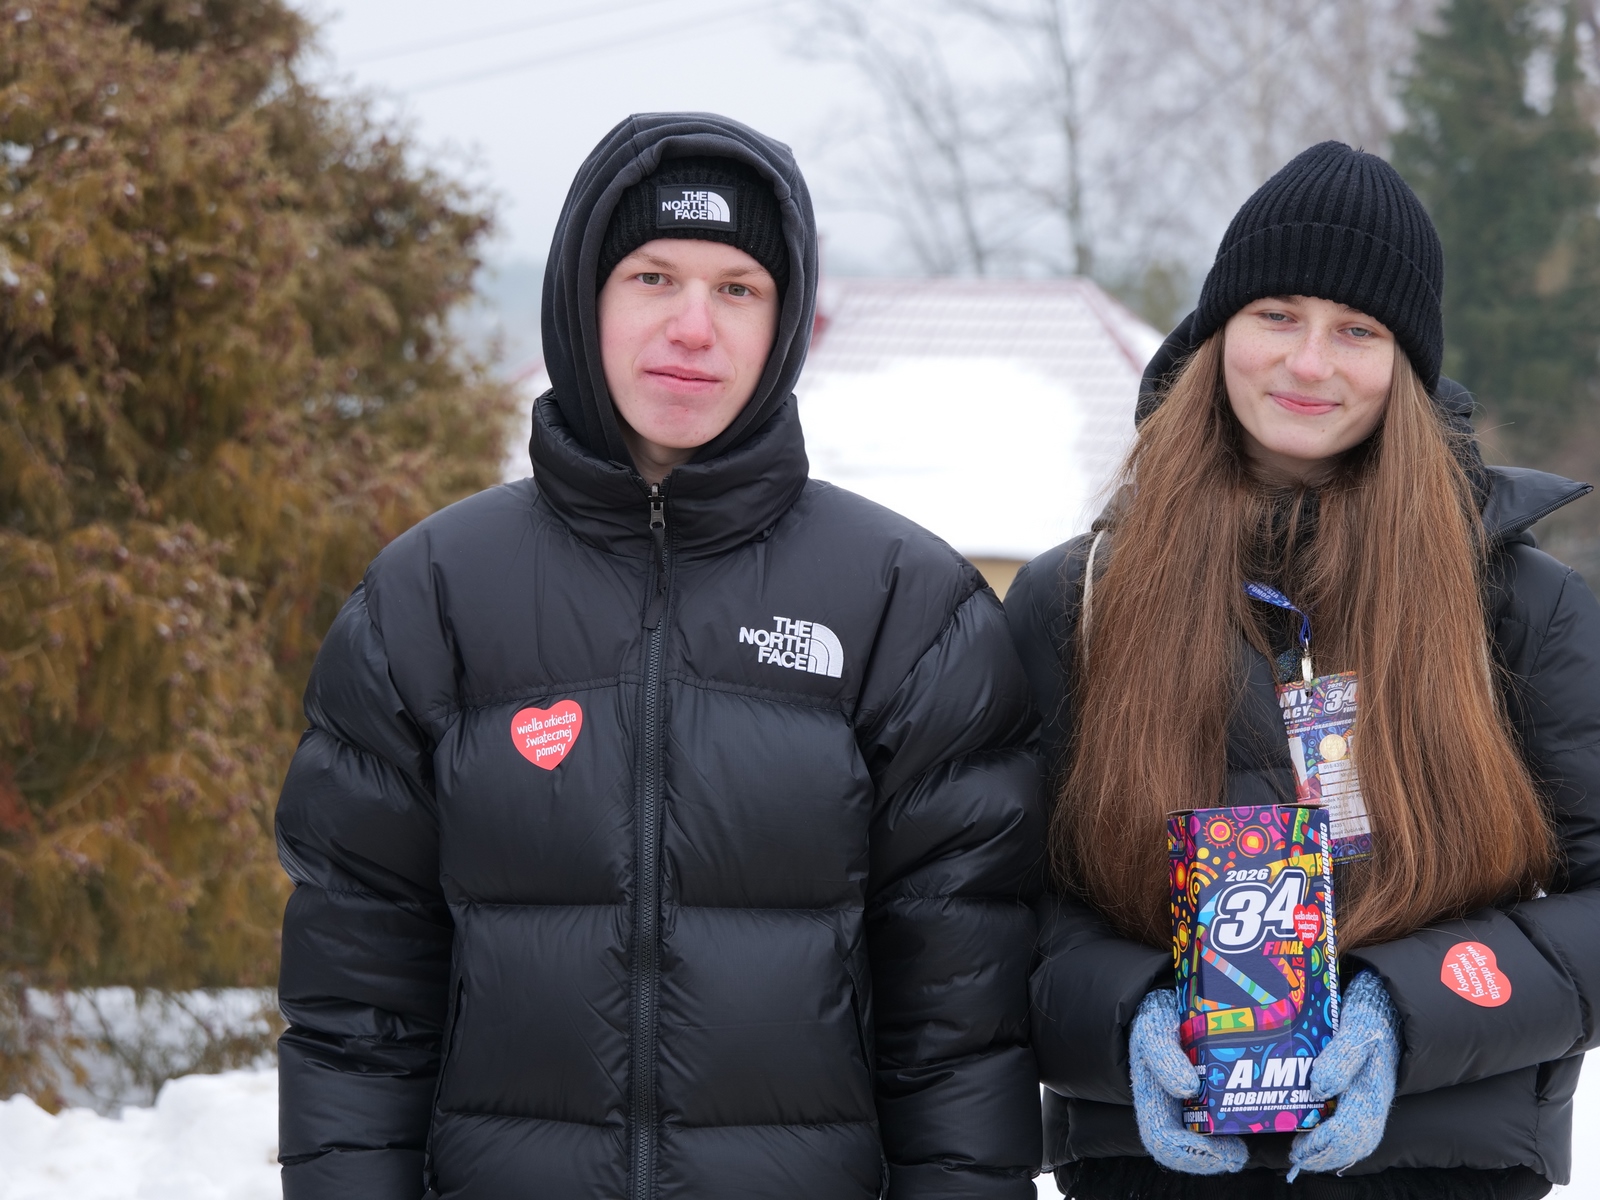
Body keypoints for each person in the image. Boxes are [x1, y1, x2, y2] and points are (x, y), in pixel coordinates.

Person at [273, 112, 1045, 1199]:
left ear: (784, 322)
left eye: (737, 288)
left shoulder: (906, 608)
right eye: (651, 278)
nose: (693, 327)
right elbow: (357, 1009)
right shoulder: (429, 596)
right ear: (580, 298)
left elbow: (960, 1032)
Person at [1006, 141, 1599, 1199]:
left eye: (1357, 330)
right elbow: (992, 906)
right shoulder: (1077, 599)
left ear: (1406, 366)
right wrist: (1124, 1013)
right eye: (1276, 314)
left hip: (1444, 1170)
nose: (1310, 363)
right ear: (1216, 334)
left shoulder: (1514, 604)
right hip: (1155, 1173)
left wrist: (1409, 1008)